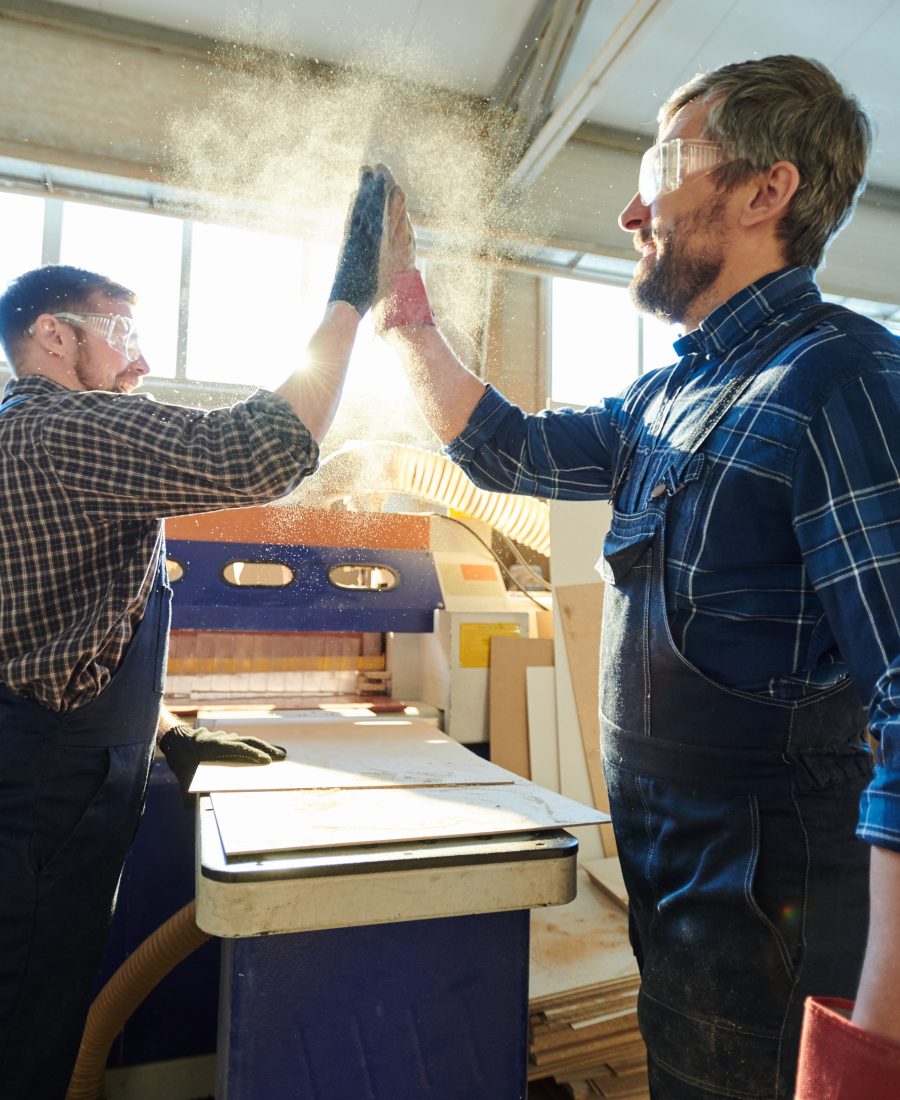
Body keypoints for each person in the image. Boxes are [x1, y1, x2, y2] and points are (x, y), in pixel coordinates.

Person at [370, 57, 900, 1098]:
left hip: (783, 900)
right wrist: (409, 317)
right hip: (680, 876)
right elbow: (508, 447)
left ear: (766, 190)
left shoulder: (843, 382)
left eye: (661, 164)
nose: (629, 208)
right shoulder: (671, 391)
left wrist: (881, 1016)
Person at [0, 165, 393, 1098]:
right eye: (123, 332)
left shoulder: (55, 444)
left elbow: (74, 632)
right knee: (20, 1031)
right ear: (55, 338)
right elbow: (257, 450)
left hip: (66, 779)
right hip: (40, 795)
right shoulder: (54, 429)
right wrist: (350, 295)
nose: (139, 361)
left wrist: (168, 732)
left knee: (44, 1020)